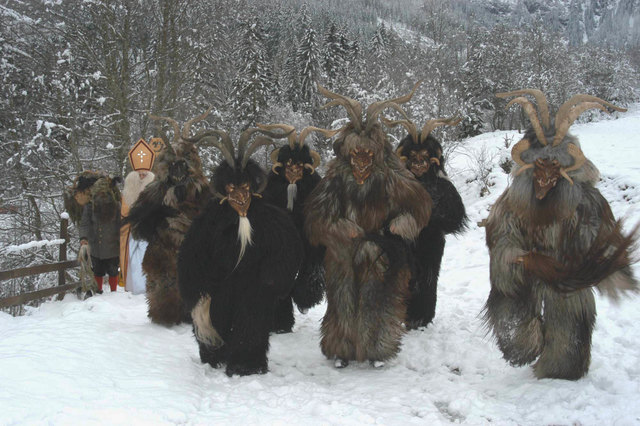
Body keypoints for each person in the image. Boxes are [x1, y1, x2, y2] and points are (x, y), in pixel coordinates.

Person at [120, 138, 156, 294]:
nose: (141, 176)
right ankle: (136, 287)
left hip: (149, 230)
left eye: (144, 173)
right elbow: (125, 212)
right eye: (139, 173)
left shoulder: (154, 188)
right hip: (134, 231)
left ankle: (150, 286)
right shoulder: (128, 190)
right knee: (135, 260)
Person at [78, 174, 122, 293]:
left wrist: (121, 240)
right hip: (95, 244)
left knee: (113, 271)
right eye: (99, 193)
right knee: (97, 270)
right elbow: (85, 224)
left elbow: (121, 224)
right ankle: (98, 292)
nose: (101, 195)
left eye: (103, 193)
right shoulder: (90, 206)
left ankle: (114, 293)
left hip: (113, 245)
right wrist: (83, 238)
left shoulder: (116, 206)